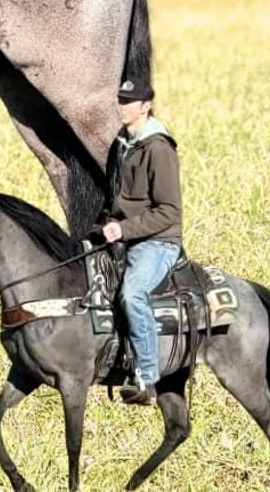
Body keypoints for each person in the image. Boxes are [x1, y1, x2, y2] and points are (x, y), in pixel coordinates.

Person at [99, 78, 182, 406]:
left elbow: (169, 212)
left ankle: (147, 378)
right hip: (127, 236)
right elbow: (113, 201)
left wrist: (125, 229)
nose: (122, 105)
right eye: (120, 99)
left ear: (145, 106)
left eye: (128, 101)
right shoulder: (121, 145)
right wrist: (105, 225)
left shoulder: (158, 149)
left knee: (132, 294)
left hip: (157, 243)